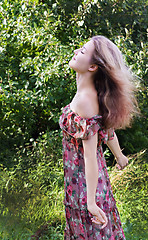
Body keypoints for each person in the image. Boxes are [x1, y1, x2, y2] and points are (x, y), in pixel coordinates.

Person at [59, 35, 138, 239]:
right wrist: (119, 156)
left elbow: (90, 156)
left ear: (93, 67)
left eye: (83, 51)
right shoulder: (94, 94)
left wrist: (91, 202)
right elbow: (108, 129)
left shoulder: (86, 100)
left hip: (84, 187)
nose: (76, 51)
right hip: (90, 183)